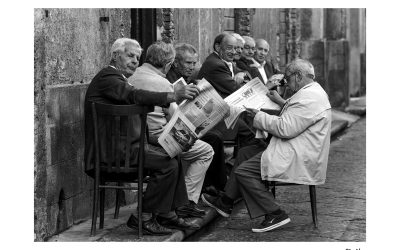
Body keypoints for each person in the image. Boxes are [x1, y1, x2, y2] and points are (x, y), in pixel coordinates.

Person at [84, 38, 201, 235]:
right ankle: (144, 216)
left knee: (174, 156)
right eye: (130, 55)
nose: (135, 61)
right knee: (167, 163)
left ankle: (167, 213)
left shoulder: (118, 79)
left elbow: (135, 100)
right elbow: (133, 95)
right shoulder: (108, 77)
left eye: (137, 57)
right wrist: (172, 96)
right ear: (115, 55)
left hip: (124, 149)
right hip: (112, 154)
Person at [201, 59, 332, 233]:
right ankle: (226, 201)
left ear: (298, 76)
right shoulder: (311, 92)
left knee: (244, 172)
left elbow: (285, 128)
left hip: (299, 154)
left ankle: (275, 213)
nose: (286, 83)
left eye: (287, 78)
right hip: (297, 145)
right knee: (246, 152)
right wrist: (281, 102)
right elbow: (298, 117)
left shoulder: (309, 97)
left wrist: (256, 117)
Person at [128, 41, 214, 220]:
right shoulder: (163, 83)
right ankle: (186, 203)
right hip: (157, 138)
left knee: (189, 147)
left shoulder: (131, 76)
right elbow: (175, 118)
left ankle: (173, 208)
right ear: (168, 64)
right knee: (205, 150)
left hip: (137, 136)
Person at [166, 42, 228, 195]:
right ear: (175, 62)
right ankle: (213, 186)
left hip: (187, 123)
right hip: (174, 129)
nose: (191, 67)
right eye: (188, 62)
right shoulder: (170, 79)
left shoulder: (184, 77)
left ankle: (214, 185)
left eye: (194, 63)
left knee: (216, 136)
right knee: (214, 139)